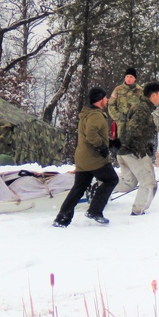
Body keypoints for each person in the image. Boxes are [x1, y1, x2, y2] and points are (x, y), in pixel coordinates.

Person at [53, 87, 119, 227]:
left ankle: (62, 218)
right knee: (111, 179)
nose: (107, 100)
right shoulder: (95, 115)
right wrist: (102, 147)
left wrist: (111, 143)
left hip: (82, 157)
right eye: (105, 98)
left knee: (79, 187)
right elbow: (91, 135)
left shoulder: (87, 114)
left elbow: (90, 133)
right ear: (100, 99)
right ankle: (95, 210)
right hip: (93, 158)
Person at [116, 82, 159, 216]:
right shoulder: (142, 109)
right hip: (133, 152)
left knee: (128, 183)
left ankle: (101, 184)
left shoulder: (142, 107)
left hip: (124, 150)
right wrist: (140, 150)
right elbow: (133, 130)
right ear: (153, 95)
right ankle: (138, 211)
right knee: (149, 182)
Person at [108, 67, 142, 142]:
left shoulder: (140, 91)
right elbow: (111, 105)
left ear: (135, 79)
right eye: (127, 77)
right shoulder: (118, 90)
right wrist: (118, 116)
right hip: (121, 124)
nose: (128, 79)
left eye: (131, 77)